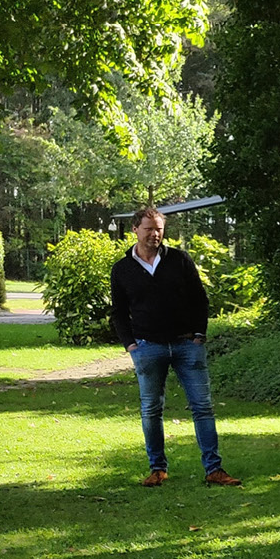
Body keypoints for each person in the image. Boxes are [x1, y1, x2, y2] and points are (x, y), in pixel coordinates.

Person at [109, 208, 240, 488]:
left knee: (202, 407)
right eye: (149, 228)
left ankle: (214, 469)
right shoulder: (122, 269)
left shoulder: (179, 260)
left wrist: (199, 335)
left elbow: (199, 299)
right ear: (135, 229)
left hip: (186, 345)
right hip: (147, 347)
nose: (155, 234)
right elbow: (118, 312)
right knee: (151, 410)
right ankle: (157, 469)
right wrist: (130, 344)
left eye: (159, 229)